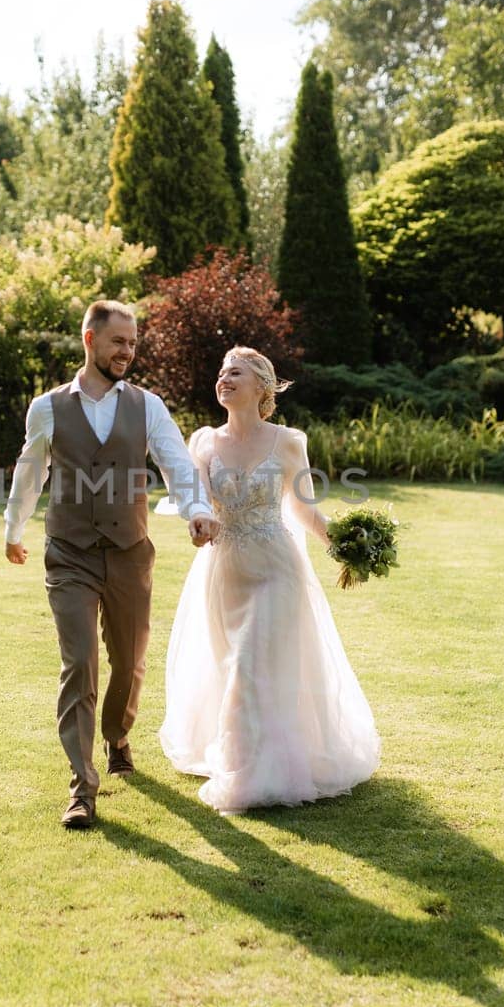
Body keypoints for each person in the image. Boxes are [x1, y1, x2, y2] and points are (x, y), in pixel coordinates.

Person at [5, 300, 218, 830]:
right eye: (118, 341)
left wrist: (196, 510)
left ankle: (118, 733)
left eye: (132, 343)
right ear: (89, 340)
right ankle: (82, 787)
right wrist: (13, 529)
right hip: (70, 552)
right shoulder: (48, 407)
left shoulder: (147, 406)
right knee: (80, 665)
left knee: (129, 661)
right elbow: (30, 472)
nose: (127, 351)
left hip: (128, 553)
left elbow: (176, 461)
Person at [159, 346, 381, 814]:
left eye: (235, 372)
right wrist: (197, 523)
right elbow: (193, 498)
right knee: (231, 665)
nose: (224, 378)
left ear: (261, 385)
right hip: (222, 570)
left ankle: (250, 779)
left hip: (276, 568)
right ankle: (259, 756)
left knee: (250, 664)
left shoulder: (288, 441)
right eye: (221, 372)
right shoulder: (202, 441)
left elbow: (301, 507)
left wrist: (343, 545)